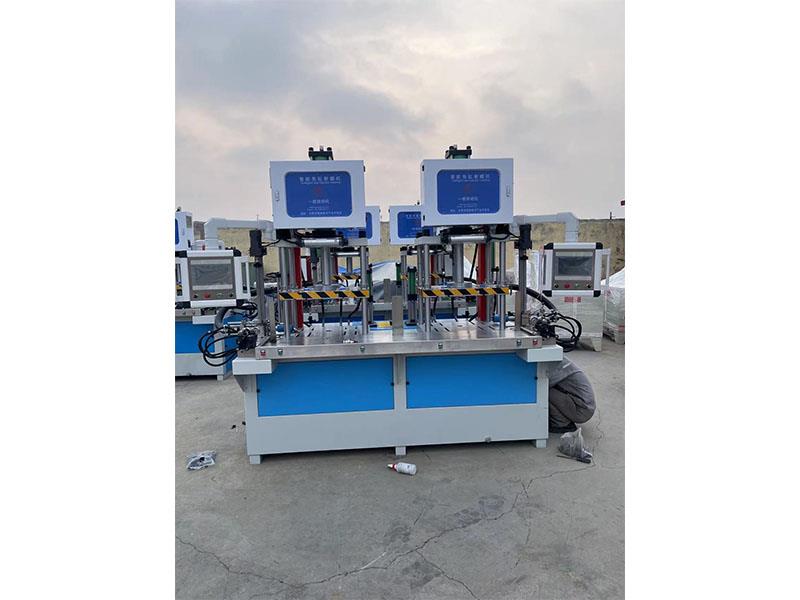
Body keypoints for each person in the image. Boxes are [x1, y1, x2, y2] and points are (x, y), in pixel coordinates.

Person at [547, 357, 596, 433]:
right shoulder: (560, 360)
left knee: (544, 392)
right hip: (584, 406)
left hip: (583, 410)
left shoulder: (558, 367)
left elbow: (544, 383)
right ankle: (562, 419)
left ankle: (562, 424)